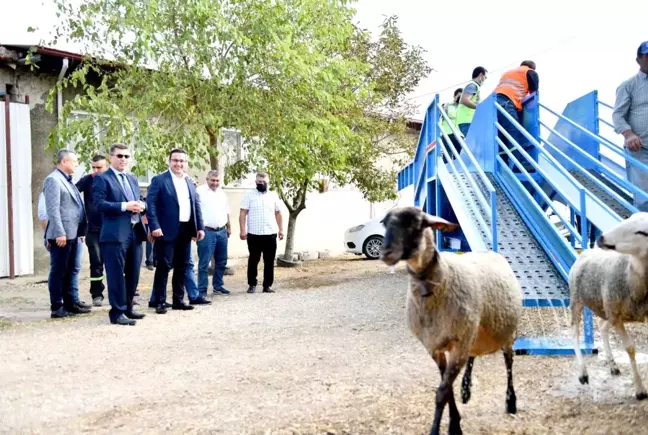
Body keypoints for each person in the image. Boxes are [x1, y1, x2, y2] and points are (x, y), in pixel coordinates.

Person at [146, 148, 207, 314]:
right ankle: (159, 301)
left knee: (182, 266)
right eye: (175, 160)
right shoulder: (159, 180)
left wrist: (199, 227)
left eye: (182, 161)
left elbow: (196, 205)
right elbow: (150, 205)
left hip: (186, 229)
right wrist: (154, 226)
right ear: (169, 161)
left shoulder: (189, 181)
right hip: (165, 230)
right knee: (164, 266)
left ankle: (178, 300)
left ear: (186, 163)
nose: (179, 164)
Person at [93, 143, 147, 325]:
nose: (123, 159)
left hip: (135, 231)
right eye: (119, 156)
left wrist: (142, 206)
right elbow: (99, 204)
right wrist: (125, 206)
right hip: (114, 234)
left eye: (126, 156)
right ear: (111, 158)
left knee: (133, 273)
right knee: (116, 274)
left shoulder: (131, 178)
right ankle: (117, 312)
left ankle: (129, 307)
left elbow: (137, 200)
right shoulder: (102, 179)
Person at [43, 149, 90, 318]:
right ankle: (57, 306)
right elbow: (53, 210)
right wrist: (59, 233)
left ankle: (70, 304)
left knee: (70, 270)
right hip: (61, 235)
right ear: (64, 162)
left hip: (73, 233)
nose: (76, 164)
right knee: (58, 271)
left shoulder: (68, 180)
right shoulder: (53, 180)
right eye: (74, 161)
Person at [37, 191, 90, 310]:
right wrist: (50, 236)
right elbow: (44, 215)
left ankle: (73, 300)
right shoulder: (49, 191)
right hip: (59, 237)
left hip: (75, 235)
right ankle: (58, 304)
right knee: (59, 269)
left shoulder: (73, 188)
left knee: (74, 268)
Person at [613, 41, 648, 211]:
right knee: (645, 198)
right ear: (639, 60)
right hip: (640, 149)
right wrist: (629, 135)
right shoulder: (628, 86)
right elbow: (618, 115)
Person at [239, 171, 284, 294]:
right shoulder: (249, 195)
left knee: (269, 261)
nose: (261, 183)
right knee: (253, 259)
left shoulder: (274, 195)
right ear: (256, 182)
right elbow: (243, 213)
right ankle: (252, 284)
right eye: (259, 181)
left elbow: (278, 213)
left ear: (268, 182)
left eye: (264, 181)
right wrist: (242, 230)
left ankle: (267, 285)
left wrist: (281, 229)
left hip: (270, 233)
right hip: (254, 234)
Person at [493, 60, 539, 171]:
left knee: (502, 136)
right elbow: (534, 93)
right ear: (532, 67)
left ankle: (502, 162)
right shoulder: (530, 72)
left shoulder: (508, 72)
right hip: (507, 103)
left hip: (494, 104)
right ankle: (519, 165)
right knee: (513, 133)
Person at [75, 154, 109, 306]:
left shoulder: (112, 179)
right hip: (92, 229)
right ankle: (97, 293)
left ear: (106, 166)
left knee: (117, 262)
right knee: (96, 261)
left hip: (111, 227)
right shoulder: (88, 180)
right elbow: (72, 193)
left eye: (99, 167)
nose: (95, 170)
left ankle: (123, 293)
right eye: (93, 167)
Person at [196, 169, 231, 297]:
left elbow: (227, 211)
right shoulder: (199, 192)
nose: (215, 183)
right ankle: (202, 290)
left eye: (217, 181)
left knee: (221, 261)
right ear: (207, 179)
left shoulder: (222, 193)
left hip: (221, 231)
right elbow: (195, 212)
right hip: (206, 232)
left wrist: (229, 227)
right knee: (204, 262)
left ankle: (218, 286)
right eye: (212, 180)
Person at [455, 66, 488, 137]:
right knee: (472, 144)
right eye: (485, 77)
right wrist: (480, 107)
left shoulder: (475, 86)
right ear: (481, 75)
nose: (485, 80)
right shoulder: (472, 86)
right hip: (466, 121)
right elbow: (465, 100)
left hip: (469, 121)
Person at [440, 88, 464, 159]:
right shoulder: (447, 105)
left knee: (460, 156)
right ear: (454, 96)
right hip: (447, 134)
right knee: (448, 156)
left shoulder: (463, 108)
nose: (459, 99)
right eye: (458, 96)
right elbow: (438, 115)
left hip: (459, 135)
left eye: (461, 97)